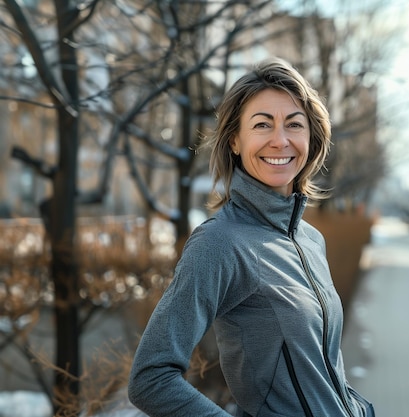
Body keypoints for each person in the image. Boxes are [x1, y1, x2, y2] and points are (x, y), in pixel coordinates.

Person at [128, 57, 375, 417]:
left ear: (311, 138)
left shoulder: (310, 240)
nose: (280, 140)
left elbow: (320, 371)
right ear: (235, 142)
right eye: (262, 125)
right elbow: (150, 379)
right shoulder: (219, 243)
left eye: (294, 124)